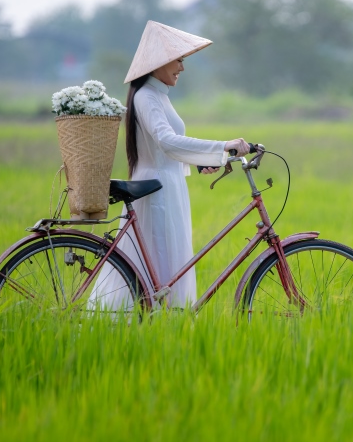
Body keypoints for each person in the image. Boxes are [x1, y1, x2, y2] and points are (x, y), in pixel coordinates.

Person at [89, 21, 249, 309]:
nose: (182, 68)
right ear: (157, 63)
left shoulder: (157, 96)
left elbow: (166, 149)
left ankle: (159, 322)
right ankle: (157, 319)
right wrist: (221, 146)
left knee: (164, 263)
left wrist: (201, 162)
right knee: (161, 262)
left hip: (167, 185)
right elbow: (167, 142)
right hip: (157, 193)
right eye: (178, 60)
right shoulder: (147, 97)